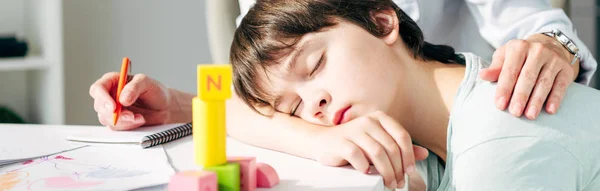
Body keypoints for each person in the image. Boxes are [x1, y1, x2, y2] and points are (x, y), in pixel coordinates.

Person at [87, 0, 598, 189]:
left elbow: (538, 23)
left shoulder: (495, 146)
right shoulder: (440, 156)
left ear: (383, 19)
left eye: (317, 66)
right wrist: (183, 104)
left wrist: (551, 44)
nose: (313, 109)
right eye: (296, 111)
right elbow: (257, 93)